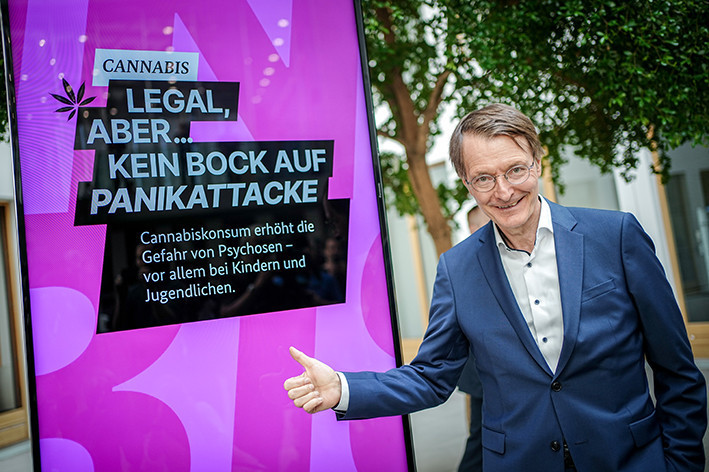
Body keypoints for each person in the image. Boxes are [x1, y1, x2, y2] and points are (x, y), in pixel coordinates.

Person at [284, 104, 707, 471]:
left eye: (515, 170)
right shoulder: (457, 269)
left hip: (630, 459)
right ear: (467, 184)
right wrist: (343, 388)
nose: (504, 191)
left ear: (537, 162)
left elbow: (677, 369)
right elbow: (432, 377)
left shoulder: (615, 237)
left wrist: (681, 464)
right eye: (484, 178)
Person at [456, 205, 489, 472]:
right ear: (473, 227)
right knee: (481, 437)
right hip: (481, 371)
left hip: (484, 372)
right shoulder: (465, 263)